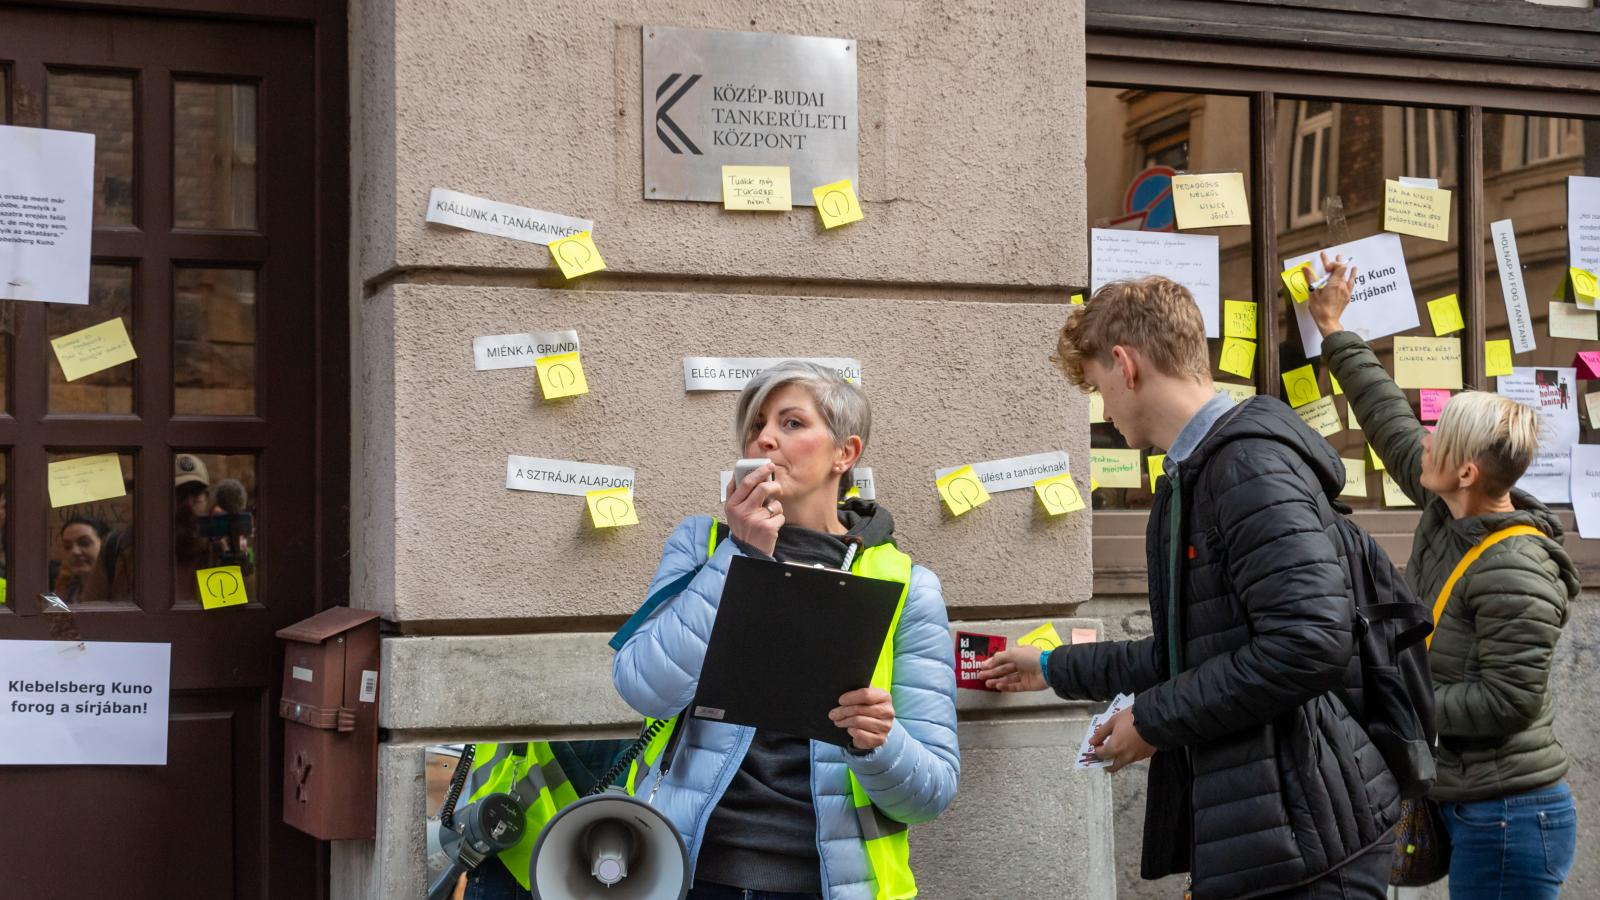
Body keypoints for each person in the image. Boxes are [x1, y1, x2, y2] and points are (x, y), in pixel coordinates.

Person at [980, 276, 1399, 899]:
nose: (1105, 411)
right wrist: (1052, 666)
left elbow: (1308, 644)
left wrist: (1150, 719)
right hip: (1277, 832)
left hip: (1311, 841)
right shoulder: (1200, 472)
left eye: (1098, 389)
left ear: (1125, 365)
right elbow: (1196, 647)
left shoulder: (1247, 466)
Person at [612, 361, 959, 900]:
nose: (766, 437)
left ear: (844, 453)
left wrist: (879, 742)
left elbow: (931, 793)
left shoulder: (907, 585)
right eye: (756, 425)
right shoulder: (701, 546)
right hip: (693, 872)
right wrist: (741, 553)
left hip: (825, 885)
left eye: (792, 423)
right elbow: (643, 687)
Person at [1306, 254, 1579, 899]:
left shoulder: (1518, 568)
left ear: (1466, 473)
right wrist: (1333, 327)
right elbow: (1389, 419)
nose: (1424, 440)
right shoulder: (1446, 505)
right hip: (1467, 799)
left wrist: (1397, 704)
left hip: (1511, 814)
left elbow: (1507, 701)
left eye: (1441, 438)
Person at [55, 515, 110, 603]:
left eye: (84, 543)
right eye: (67, 546)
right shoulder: (67, 587)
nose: (75, 552)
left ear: (104, 544)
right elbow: (53, 615)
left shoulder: (119, 590)